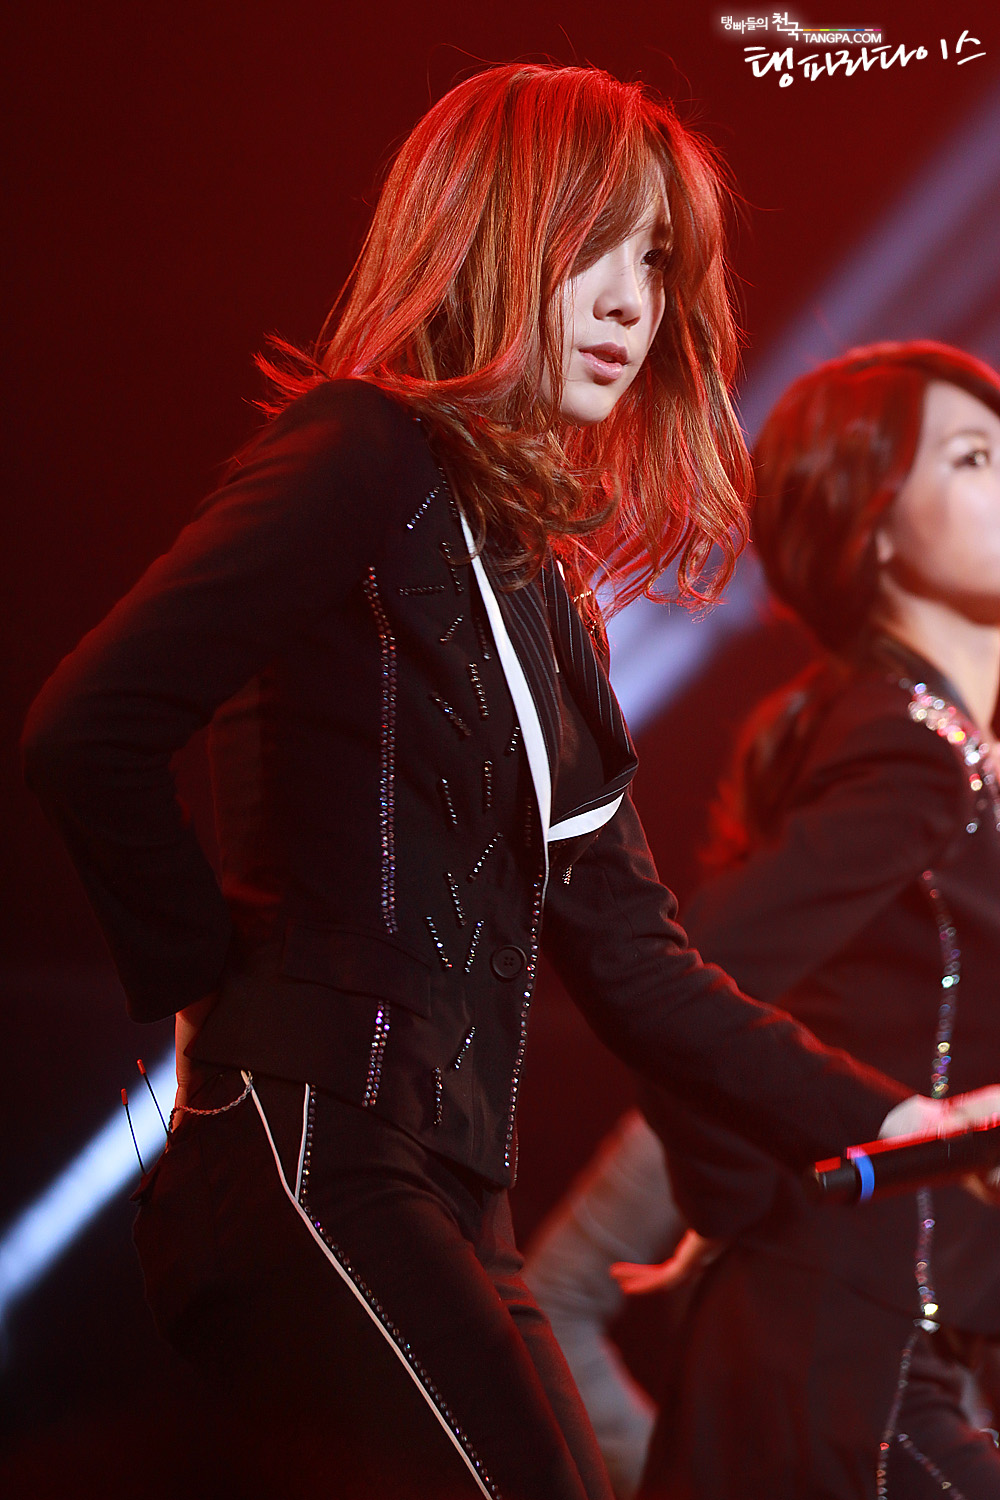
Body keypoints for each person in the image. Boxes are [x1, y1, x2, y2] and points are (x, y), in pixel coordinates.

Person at [20, 62, 998, 1499]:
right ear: (485, 233)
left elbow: (640, 964)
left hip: (451, 1184)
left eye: (655, 261)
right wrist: (223, 1001)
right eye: (593, 243)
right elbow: (88, 732)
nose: (631, 301)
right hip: (310, 1153)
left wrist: (894, 1120)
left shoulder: (550, 599)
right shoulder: (360, 453)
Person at [529, 341, 1000, 1500]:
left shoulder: (931, 741)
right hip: (852, 1359)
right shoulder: (914, 750)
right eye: (973, 458)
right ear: (873, 525)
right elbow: (688, 977)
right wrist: (748, 1195)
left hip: (870, 1346)